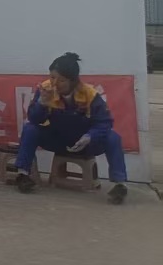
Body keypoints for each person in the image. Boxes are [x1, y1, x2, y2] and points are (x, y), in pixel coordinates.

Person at [15, 53, 129, 204]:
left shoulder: (90, 94)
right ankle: (22, 175)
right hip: (57, 140)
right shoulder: (46, 90)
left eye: (61, 80)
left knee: (113, 137)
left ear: (73, 81)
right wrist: (41, 103)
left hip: (84, 143)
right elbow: (35, 119)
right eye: (52, 77)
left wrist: (90, 136)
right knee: (30, 129)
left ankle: (120, 184)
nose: (55, 83)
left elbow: (104, 123)